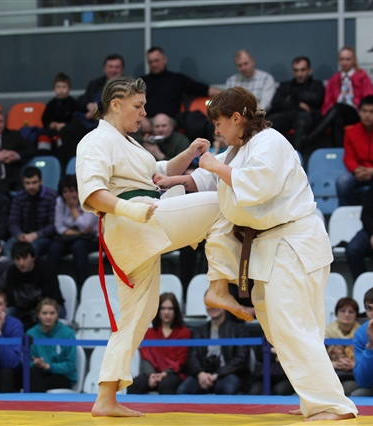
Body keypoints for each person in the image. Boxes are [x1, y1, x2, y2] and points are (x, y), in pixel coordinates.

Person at [185, 86, 357, 420]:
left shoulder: (270, 141)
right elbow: (208, 179)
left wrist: (214, 166)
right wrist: (174, 179)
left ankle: (332, 405)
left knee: (292, 326)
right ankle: (313, 400)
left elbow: (257, 185)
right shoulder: (238, 149)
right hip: (270, 247)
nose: (216, 130)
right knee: (280, 328)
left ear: (237, 118)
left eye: (218, 122)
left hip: (293, 242)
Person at [76, 75, 238, 417]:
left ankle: (105, 398)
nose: (144, 113)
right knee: (222, 202)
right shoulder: (96, 140)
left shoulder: (127, 142)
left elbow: (157, 174)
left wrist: (189, 153)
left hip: (140, 222)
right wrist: (129, 209)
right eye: (138, 106)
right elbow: (91, 193)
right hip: (135, 219)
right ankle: (219, 285)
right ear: (115, 104)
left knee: (137, 315)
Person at [60, 54, 125, 162]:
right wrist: (89, 105)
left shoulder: (127, 85)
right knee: (67, 131)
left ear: (122, 69)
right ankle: (75, 163)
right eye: (110, 67)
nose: (113, 70)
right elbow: (82, 100)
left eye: (117, 67)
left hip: (112, 123)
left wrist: (100, 109)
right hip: (90, 122)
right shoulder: (96, 84)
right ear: (105, 68)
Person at [307, 46, 373, 148]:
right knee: (337, 118)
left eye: (348, 59)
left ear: (354, 60)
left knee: (337, 107)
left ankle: (313, 137)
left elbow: (369, 100)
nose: (344, 62)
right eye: (341, 59)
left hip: (356, 113)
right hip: (338, 114)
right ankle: (339, 151)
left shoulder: (362, 77)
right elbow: (327, 104)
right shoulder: (334, 80)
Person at [176, 304, 248, 395]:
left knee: (226, 388)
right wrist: (200, 373)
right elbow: (192, 357)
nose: (213, 307)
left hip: (229, 374)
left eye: (216, 303)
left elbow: (241, 358)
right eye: (209, 304)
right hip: (203, 374)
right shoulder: (198, 332)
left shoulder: (239, 329)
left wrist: (217, 374)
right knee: (183, 390)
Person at [128, 293, 190, 395]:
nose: (166, 312)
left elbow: (181, 362)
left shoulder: (184, 333)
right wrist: (152, 375)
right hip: (152, 373)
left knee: (166, 385)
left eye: (170, 308)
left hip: (174, 374)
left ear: (175, 311)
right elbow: (146, 359)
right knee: (134, 385)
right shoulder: (149, 333)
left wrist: (164, 374)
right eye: (163, 308)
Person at [46, 174, 97, 288]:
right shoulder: (60, 201)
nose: (68, 195)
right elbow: (59, 228)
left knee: (78, 246)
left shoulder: (89, 201)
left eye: (72, 191)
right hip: (70, 237)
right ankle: (51, 286)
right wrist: (78, 233)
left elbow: (86, 227)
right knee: (54, 247)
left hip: (91, 239)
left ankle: (82, 287)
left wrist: (72, 208)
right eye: (65, 191)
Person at [141, 46, 221, 118]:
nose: (154, 64)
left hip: (170, 122)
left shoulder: (176, 79)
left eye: (156, 60)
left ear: (164, 59)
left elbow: (202, 89)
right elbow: (135, 102)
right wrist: (142, 120)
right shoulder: (142, 82)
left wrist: (226, 94)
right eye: (151, 62)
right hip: (145, 121)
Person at [266, 56, 324, 153]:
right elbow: (276, 102)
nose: (299, 74)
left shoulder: (316, 85)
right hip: (286, 115)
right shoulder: (286, 85)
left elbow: (316, 99)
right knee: (266, 123)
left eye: (303, 70)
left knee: (302, 121)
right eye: (296, 70)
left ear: (309, 70)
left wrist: (293, 95)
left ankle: (296, 157)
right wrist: (298, 103)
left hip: (306, 118)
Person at [5, 241, 63, 329]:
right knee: (7, 313)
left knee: (45, 315)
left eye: (25, 258)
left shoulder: (46, 269)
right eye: (17, 259)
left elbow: (51, 298)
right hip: (23, 310)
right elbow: (10, 299)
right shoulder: (12, 272)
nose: (21, 262)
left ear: (33, 258)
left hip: (51, 307)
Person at [4, 167, 57, 259]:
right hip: (23, 235)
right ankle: (15, 268)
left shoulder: (51, 197)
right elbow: (13, 222)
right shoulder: (19, 197)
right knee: (8, 247)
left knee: (30, 249)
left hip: (43, 237)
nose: (31, 187)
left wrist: (35, 235)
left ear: (41, 181)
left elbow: (54, 225)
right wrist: (19, 235)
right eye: (27, 183)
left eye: (34, 183)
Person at [26, 298, 77, 392]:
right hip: (39, 373)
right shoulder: (31, 334)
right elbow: (26, 362)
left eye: (52, 313)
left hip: (63, 376)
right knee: (33, 375)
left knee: (37, 382)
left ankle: (36, 402)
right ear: (38, 315)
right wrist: (35, 363)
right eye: (44, 313)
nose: (48, 317)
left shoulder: (68, 333)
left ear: (57, 314)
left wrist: (48, 366)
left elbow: (70, 365)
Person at [325, 297, 361, 396]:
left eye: (351, 312)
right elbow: (316, 358)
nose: (346, 314)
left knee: (344, 390)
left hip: (353, 376)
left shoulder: (363, 333)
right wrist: (332, 364)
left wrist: (354, 365)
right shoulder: (326, 332)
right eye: (342, 311)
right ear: (336, 313)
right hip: (329, 374)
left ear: (356, 315)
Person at [39, 72, 78, 157]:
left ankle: (62, 162)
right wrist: (51, 124)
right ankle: (44, 159)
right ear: (54, 88)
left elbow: (76, 120)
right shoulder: (51, 104)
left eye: (64, 87)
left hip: (66, 131)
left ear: (69, 88)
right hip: (52, 130)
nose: (61, 90)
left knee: (62, 138)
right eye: (58, 87)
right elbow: (45, 119)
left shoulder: (73, 103)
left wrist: (65, 125)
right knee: (43, 137)